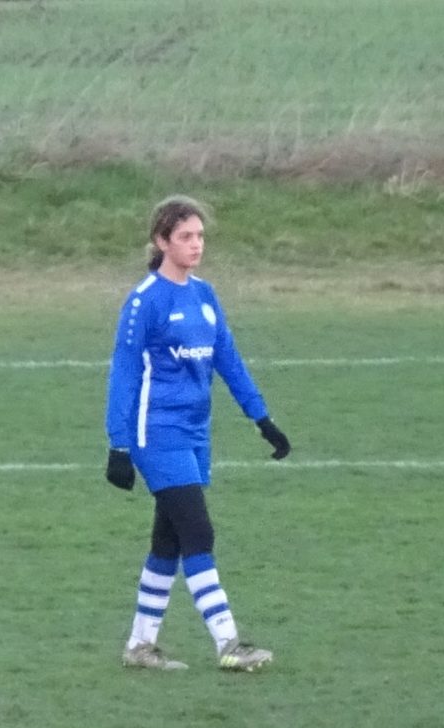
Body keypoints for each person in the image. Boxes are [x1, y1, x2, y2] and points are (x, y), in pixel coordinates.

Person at [105, 196, 290, 672]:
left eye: (200, 236)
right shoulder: (144, 301)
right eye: (185, 236)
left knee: (168, 540)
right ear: (161, 241)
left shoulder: (205, 296)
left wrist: (261, 418)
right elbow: (124, 374)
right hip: (156, 431)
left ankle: (139, 647)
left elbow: (228, 360)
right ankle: (229, 644)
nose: (196, 245)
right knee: (198, 531)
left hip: (194, 432)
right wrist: (119, 443)